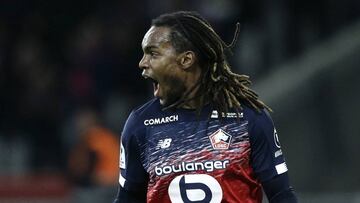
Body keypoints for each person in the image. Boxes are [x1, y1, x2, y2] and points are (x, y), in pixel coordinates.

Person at [114, 11, 297, 203]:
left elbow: (281, 195)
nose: (142, 63)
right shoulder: (141, 124)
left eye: (153, 53)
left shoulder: (247, 118)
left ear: (186, 60)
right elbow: (127, 199)